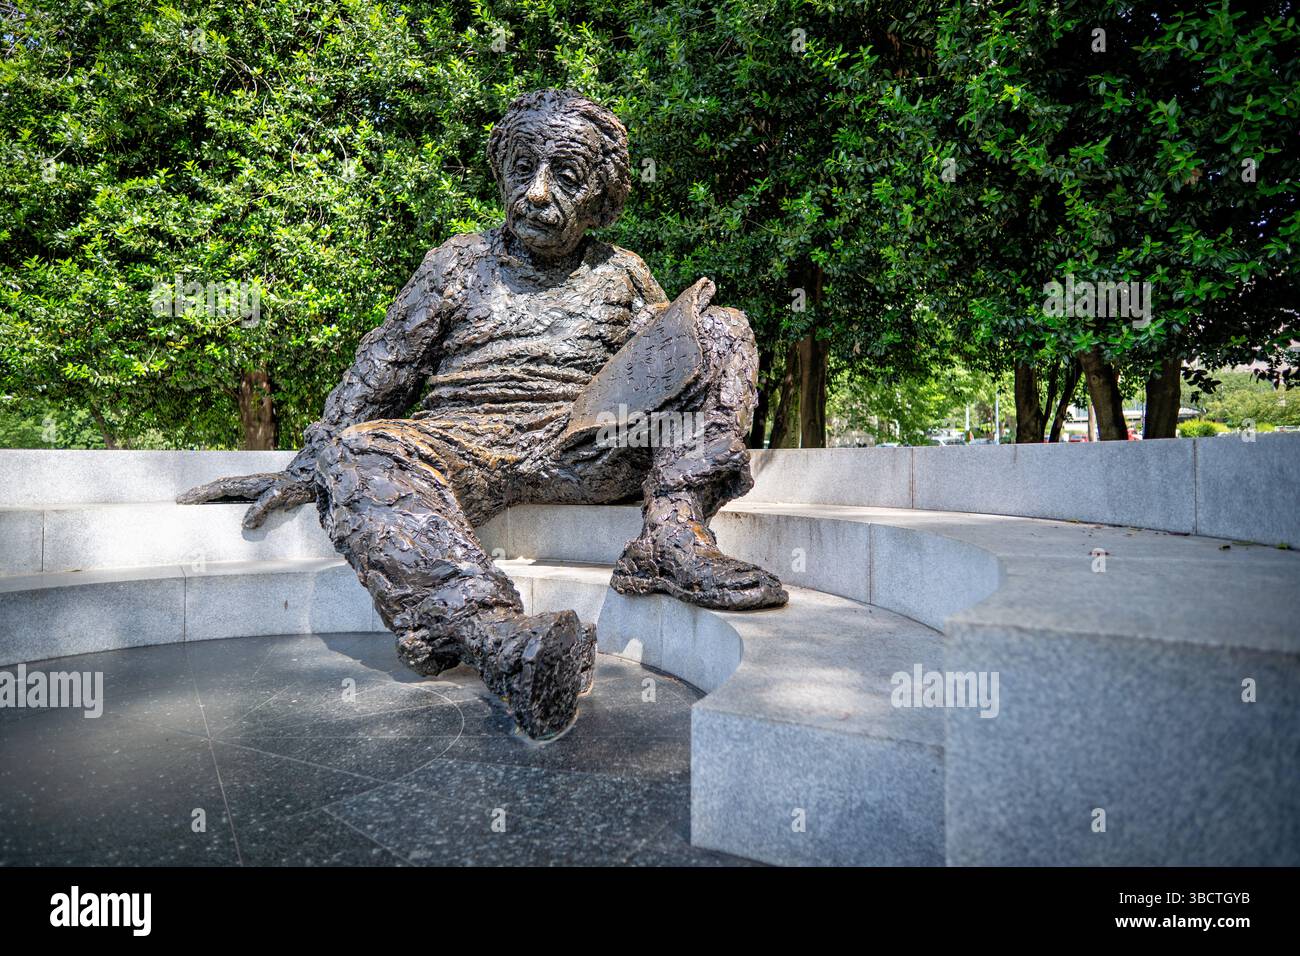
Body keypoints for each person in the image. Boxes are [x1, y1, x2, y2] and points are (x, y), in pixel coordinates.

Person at [180, 89, 786, 738]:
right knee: (359, 449)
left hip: (588, 448)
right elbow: (382, 369)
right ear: (501, 175)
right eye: (522, 171)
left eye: (566, 177)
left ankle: (672, 535)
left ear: (603, 200)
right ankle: (501, 641)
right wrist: (315, 461)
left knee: (718, 329)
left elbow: (670, 370)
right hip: (462, 444)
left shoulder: (624, 273)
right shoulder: (456, 263)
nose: (536, 192)